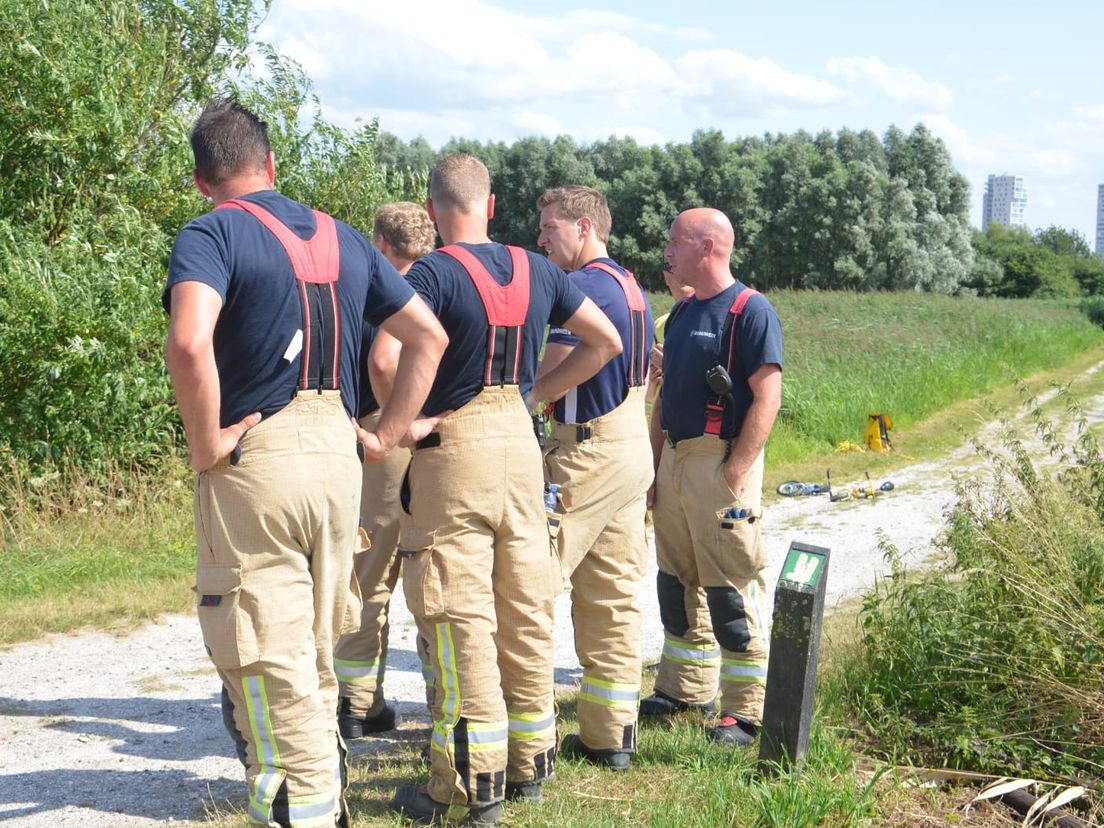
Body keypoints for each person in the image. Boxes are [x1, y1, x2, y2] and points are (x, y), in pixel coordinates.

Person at [164, 98, 447, 827]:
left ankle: (305, 809)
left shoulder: (210, 233)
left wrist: (206, 444)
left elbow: (191, 343)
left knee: (264, 650)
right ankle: (326, 799)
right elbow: (428, 338)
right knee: (316, 642)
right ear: (272, 166)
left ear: (201, 179)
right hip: (336, 456)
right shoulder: (347, 239)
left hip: (261, 455)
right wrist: (386, 434)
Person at [383, 154, 622, 825]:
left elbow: (383, 357)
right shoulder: (539, 268)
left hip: (453, 451)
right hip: (522, 449)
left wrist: (404, 426)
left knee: (457, 616)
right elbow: (606, 341)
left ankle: (466, 784)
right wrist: (534, 395)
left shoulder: (429, 273)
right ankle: (530, 765)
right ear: (490, 206)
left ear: (432, 212)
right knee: (525, 608)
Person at [642, 208, 783, 749]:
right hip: (676, 460)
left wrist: (735, 472)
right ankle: (684, 689)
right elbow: (664, 400)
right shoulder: (679, 314)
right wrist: (653, 467)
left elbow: (768, 396)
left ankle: (745, 713)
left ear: (706, 247)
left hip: (720, 464)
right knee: (676, 582)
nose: (667, 251)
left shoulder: (751, 311)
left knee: (729, 588)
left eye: (675, 241)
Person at [534, 186, 653, 771]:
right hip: (630, 448)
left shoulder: (582, 288)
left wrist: (532, 395)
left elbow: (558, 367)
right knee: (615, 594)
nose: (541, 239)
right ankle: (611, 735)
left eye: (549, 227)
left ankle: (526, 743)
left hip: (585, 452)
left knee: (529, 583)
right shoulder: (631, 286)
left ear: (584, 226)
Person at [334, 202, 437, 740]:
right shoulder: (424, 291)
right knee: (424, 568)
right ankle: (429, 701)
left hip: (370, 434)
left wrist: (388, 424)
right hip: (408, 437)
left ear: (379, 244)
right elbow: (392, 359)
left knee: (369, 573)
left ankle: (357, 700)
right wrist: (408, 420)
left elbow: (375, 359)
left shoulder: (363, 287)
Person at [646, 263, 695, 404]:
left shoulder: (714, 322)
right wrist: (652, 381)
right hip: (663, 416)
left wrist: (671, 367)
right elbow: (650, 397)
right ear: (665, 278)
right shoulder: (660, 324)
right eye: (671, 267)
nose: (679, 272)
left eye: (686, 265)